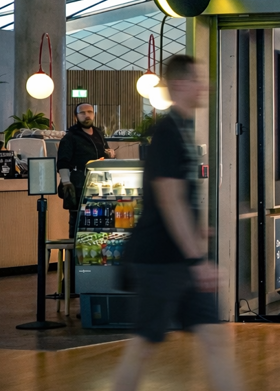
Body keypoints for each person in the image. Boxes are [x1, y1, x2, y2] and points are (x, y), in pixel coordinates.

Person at [113, 55, 242, 391]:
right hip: (159, 260)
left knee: (214, 337)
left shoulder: (183, 130)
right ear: (181, 85)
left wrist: (199, 235)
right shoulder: (168, 132)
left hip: (182, 260)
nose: (206, 86)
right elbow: (169, 200)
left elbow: (180, 199)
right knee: (143, 346)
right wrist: (198, 259)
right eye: (198, 78)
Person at [57, 103, 115, 237]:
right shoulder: (70, 137)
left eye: (90, 112)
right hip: (78, 184)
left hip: (99, 184)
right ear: (75, 116)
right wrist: (66, 182)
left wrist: (109, 154)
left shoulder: (99, 133)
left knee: (98, 219)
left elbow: (102, 154)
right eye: (82, 113)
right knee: (77, 220)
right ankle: (74, 254)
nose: (87, 115)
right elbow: (62, 161)